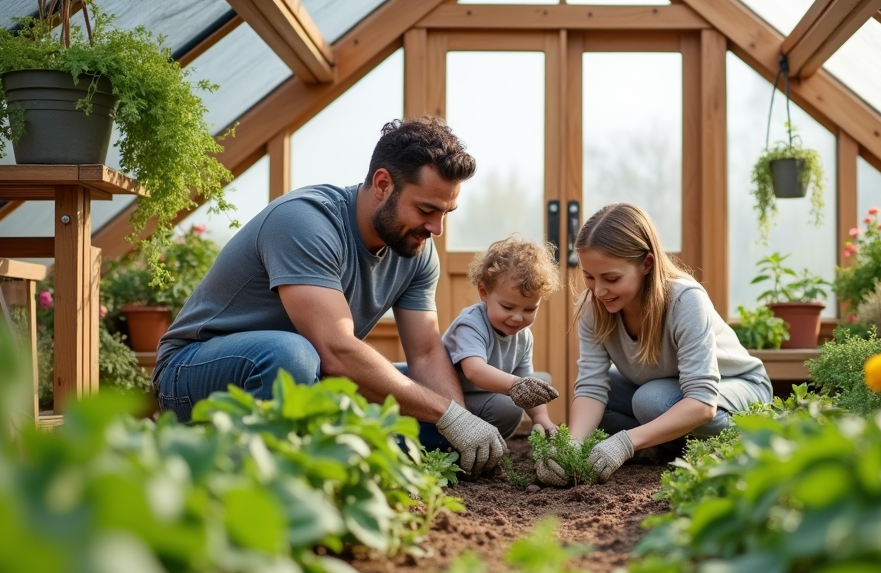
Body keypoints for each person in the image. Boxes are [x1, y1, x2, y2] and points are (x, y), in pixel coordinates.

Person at [152, 117, 507, 476]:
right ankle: (284, 473)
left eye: (446, 213)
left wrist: (457, 420)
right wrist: (445, 416)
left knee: (488, 404)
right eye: (426, 210)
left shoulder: (415, 250)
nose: (437, 229)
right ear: (383, 184)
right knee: (292, 354)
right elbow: (336, 351)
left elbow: (428, 353)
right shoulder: (304, 221)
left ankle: (337, 451)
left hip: (314, 376)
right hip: (197, 373)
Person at [536, 203, 773, 487]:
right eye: (589, 276)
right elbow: (591, 387)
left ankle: (759, 435)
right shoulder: (593, 307)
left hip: (737, 387)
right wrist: (571, 446)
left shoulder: (686, 300)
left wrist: (625, 442)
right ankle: (668, 446)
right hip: (663, 391)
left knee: (651, 401)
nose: (598, 291)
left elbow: (702, 402)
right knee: (597, 411)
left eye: (611, 278)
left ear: (647, 264)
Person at [442, 236, 562, 439]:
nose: (517, 318)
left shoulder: (524, 337)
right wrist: (516, 385)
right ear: (484, 292)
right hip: (451, 401)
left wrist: (541, 418)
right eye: (507, 307)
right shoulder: (471, 325)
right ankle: (459, 443)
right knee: (509, 405)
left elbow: (526, 379)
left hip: (483, 399)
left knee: (533, 387)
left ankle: (487, 443)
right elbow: (475, 372)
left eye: (529, 309)